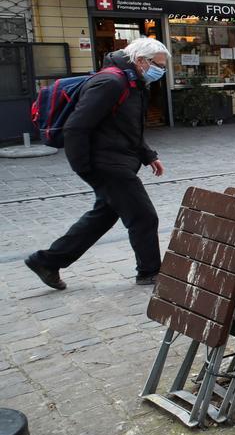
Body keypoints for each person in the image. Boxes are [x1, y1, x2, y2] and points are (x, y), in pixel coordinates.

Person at [25, 39, 169, 290]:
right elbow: (76, 127)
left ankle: (47, 262)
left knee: (103, 216)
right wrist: (85, 167)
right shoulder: (111, 82)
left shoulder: (134, 82)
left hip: (117, 160)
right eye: (158, 65)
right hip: (106, 164)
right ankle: (150, 272)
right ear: (140, 61)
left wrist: (148, 155)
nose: (161, 71)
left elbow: (128, 127)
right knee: (144, 216)